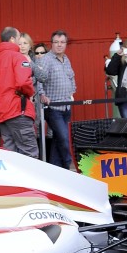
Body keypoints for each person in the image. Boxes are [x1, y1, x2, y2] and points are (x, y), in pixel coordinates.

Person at [0, 27, 39, 158]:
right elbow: (23, 82)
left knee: (10, 154)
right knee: (29, 153)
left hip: (1, 110)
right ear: (12, 39)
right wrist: (30, 93)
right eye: (18, 39)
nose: (20, 43)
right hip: (17, 109)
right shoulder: (18, 57)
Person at [38, 30, 78, 169]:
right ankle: (67, 165)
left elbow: (71, 77)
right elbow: (38, 79)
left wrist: (72, 90)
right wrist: (42, 94)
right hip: (53, 108)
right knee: (64, 138)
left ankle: (55, 168)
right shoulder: (46, 60)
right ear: (52, 44)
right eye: (56, 42)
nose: (59, 45)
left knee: (57, 139)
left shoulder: (66, 59)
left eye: (62, 42)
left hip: (66, 106)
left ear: (66, 44)